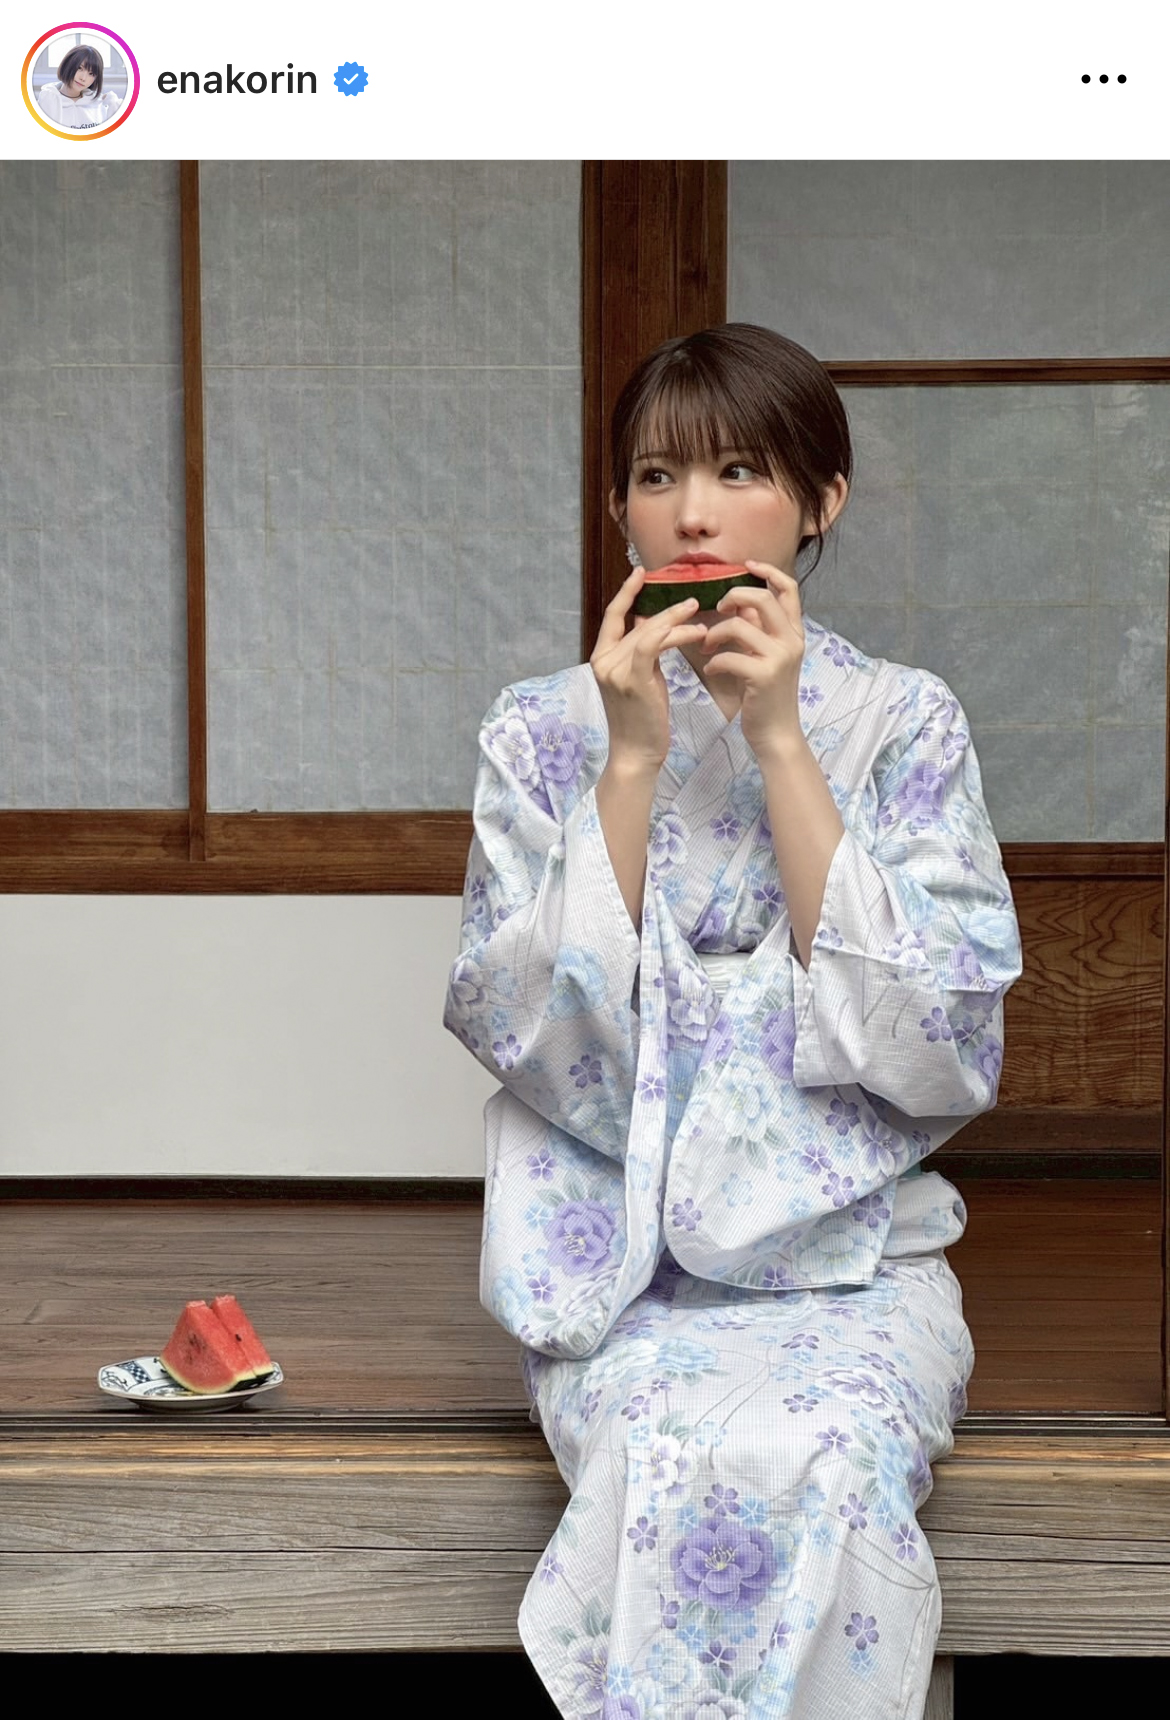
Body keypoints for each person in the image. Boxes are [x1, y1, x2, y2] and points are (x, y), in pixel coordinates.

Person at [444, 322, 1022, 1719]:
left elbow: (937, 1032)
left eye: (740, 471)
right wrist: (631, 755)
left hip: (851, 1268)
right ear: (617, 508)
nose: (692, 514)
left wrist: (778, 738)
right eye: (656, 477)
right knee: (660, 1447)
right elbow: (526, 1030)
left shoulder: (903, 721)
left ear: (819, 501)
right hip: (625, 1274)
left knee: (829, 1447)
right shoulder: (538, 731)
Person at [35, 43, 121, 130]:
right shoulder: (47, 101)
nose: (83, 78)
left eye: (91, 73)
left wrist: (112, 102)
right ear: (67, 65)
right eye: (80, 68)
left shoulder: (98, 103)